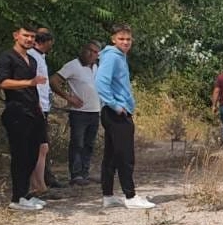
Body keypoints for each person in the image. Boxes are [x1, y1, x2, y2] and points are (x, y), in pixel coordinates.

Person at [95, 22, 155, 210]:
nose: (125, 42)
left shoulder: (119, 57)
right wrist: (115, 105)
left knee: (112, 154)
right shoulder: (112, 57)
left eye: (128, 39)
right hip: (116, 112)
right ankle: (130, 196)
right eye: (121, 39)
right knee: (125, 154)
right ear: (113, 39)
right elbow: (100, 82)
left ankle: (108, 195)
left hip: (117, 110)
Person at [0, 24, 49, 211]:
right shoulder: (7, 57)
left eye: (32, 37)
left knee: (33, 153)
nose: (29, 39)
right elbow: (3, 82)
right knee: (20, 155)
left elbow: (33, 88)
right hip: (16, 111)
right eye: (26, 35)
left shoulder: (32, 61)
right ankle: (16, 198)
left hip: (33, 111)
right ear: (16, 35)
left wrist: (39, 106)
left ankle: (26, 194)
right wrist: (28, 82)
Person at [52, 41, 102, 186]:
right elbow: (54, 81)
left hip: (94, 111)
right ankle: (75, 174)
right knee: (77, 143)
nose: (91, 54)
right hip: (79, 112)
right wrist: (68, 97)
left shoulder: (96, 68)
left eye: (95, 52)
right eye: (89, 50)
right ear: (83, 49)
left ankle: (84, 173)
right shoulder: (73, 65)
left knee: (89, 144)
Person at [27, 29, 66, 196]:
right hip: (35, 107)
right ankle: (38, 185)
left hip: (42, 106)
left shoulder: (40, 57)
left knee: (41, 147)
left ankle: (40, 183)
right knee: (39, 147)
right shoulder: (31, 57)